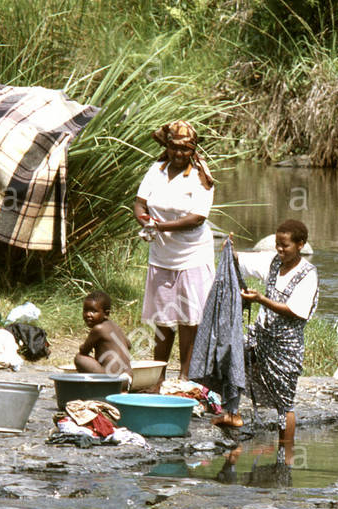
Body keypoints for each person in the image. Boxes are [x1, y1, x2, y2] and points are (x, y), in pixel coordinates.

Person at [132, 120, 216, 381]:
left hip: (192, 254)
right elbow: (139, 203)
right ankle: (158, 374)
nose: (179, 154)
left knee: (190, 318)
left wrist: (161, 226)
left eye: (185, 149)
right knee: (163, 317)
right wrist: (146, 222)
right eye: (174, 148)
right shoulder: (156, 169)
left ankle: (185, 376)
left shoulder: (202, 176)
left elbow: (197, 218)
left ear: (193, 150)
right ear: (166, 147)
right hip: (161, 255)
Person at [231, 219, 319, 451]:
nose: (280, 250)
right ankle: (232, 416)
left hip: (286, 346)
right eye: (277, 244)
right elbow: (240, 260)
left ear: (301, 245)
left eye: (285, 245)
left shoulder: (307, 274)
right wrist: (230, 249)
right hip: (261, 339)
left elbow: (295, 311)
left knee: (284, 403)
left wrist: (261, 299)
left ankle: (286, 453)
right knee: (232, 364)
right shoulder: (273, 263)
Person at [74, 290, 133, 382]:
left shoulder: (98, 329)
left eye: (94, 311)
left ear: (106, 314)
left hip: (112, 380)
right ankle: (123, 389)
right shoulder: (116, 327)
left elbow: (84, 351)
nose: (88, 314)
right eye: (86, 310)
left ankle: (99, 387)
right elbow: (129, 345)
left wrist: (82, 346)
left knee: (79, 358)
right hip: (128, 378)